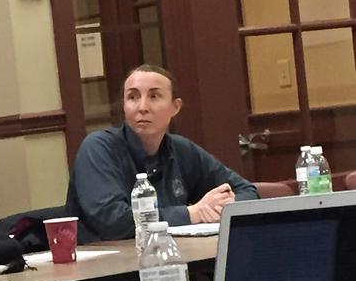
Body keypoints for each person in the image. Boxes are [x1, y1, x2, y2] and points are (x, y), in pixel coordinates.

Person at [66, 63, 258, 244]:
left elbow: (247, 191)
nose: (142, 107)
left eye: (154, 97)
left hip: (175, 258)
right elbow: (115, 222)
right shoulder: (98, 148)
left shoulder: (181, 149)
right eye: (132, 97)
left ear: (175, 107)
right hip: (109, 269)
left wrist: (220, 207)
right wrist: (192, 213)